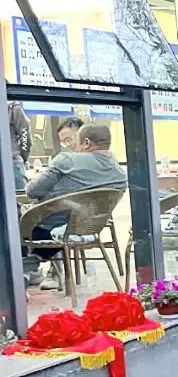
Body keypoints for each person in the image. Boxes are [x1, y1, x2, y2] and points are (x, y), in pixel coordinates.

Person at [26, 123, 127, 290]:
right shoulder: (120, 174)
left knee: (13, 219)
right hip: (88, 230)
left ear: (86, 143)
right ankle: (32, 267)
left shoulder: (67, 160)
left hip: (46, 229)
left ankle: (27, 268)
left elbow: (33, 191)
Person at [8, 100, 30, 191]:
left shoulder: (13, 107)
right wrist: (22, 159)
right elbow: (26, 139)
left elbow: (25, 138)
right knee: (21, 197)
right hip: (14, 163)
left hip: (13, 163)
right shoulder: (13, 107)